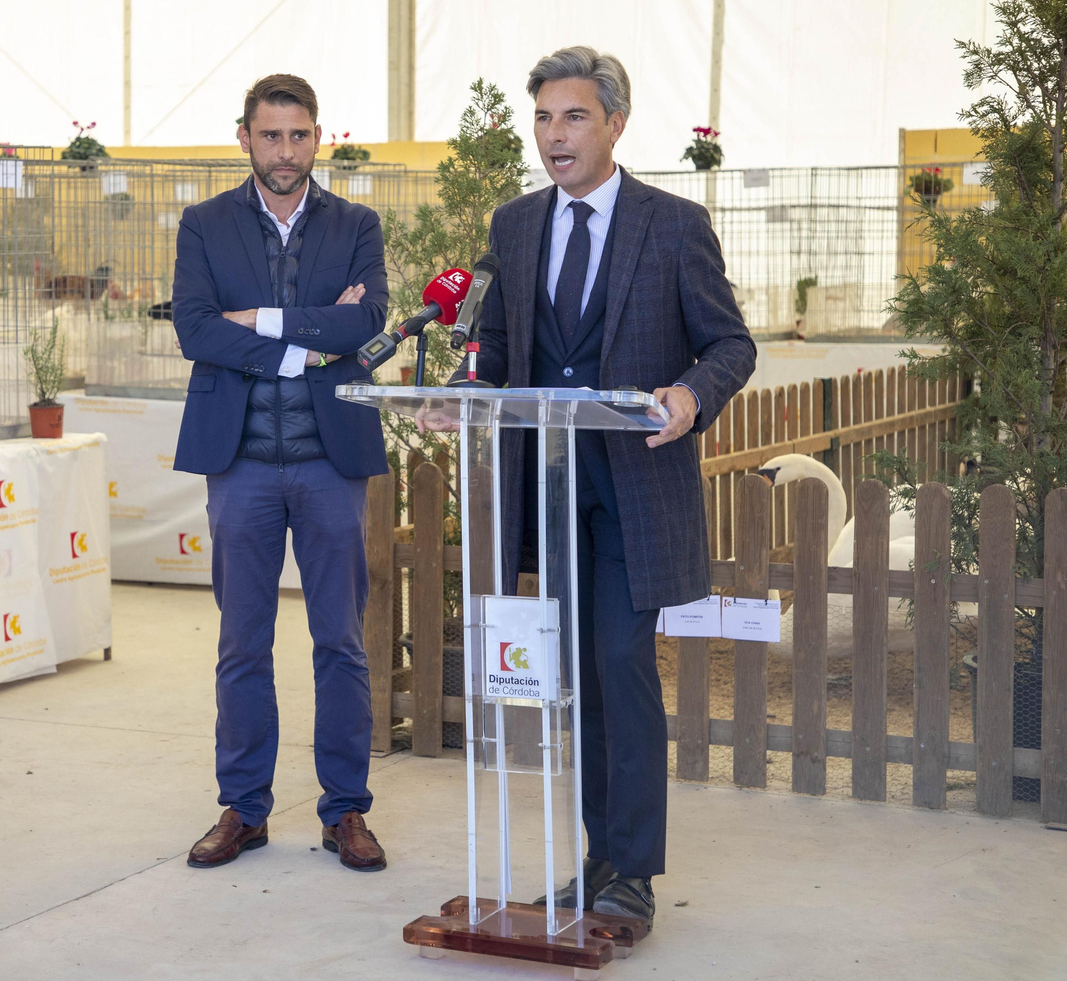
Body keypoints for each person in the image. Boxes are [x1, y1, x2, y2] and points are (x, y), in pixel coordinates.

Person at [458, 47, 755, 923]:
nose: (556, 135)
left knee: (621, 662)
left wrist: (690, 395)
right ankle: (599, 860)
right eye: (545, 117)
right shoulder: (513, 225)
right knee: (577, 675)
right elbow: (501, 348)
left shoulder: (672, 225)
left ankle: (634, 871)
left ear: (615, 124)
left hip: (634, 490)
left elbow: (730, 345)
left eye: (574, 117)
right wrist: (465, 400)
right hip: (545, 497)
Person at [171, 74, 392, 873]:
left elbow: (367, 323)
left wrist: (260, 324)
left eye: (299, 136)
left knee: (340, 641)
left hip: (332, 464)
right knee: (242, 644)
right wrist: (311, 340)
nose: (285, 151)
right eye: (271, 136)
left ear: (318, 138)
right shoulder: (204, 225)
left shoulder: (357, 224)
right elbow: (195, 330)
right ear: (245, 139)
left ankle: (346, 813)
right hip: (240, 465)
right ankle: (244, 809)